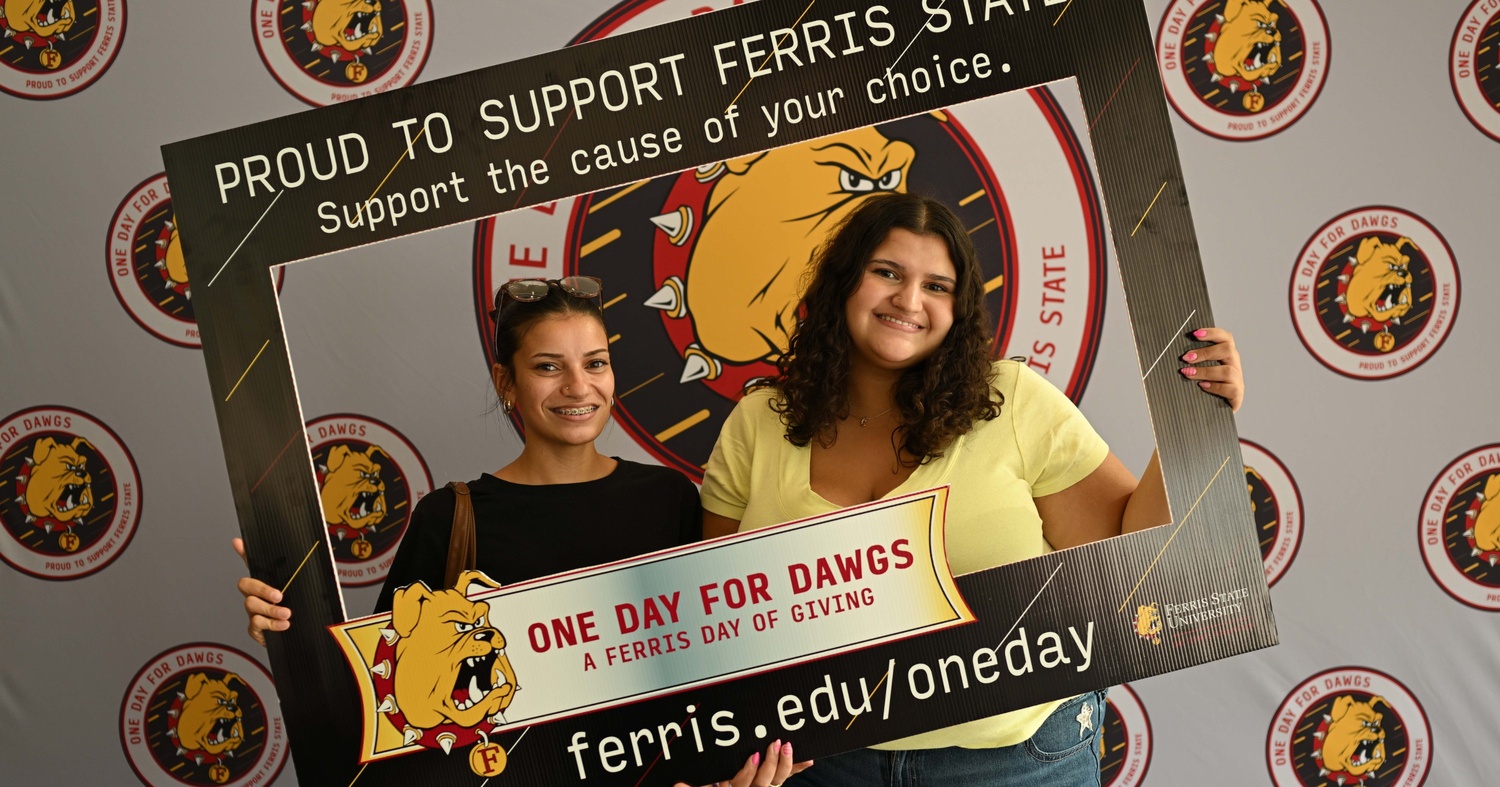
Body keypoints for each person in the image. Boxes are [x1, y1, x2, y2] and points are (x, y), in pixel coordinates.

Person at [699, 192, 1244, 786]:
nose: (909, 300)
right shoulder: (758, 422)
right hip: (822, 767)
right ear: (842, 283)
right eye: (887, 273)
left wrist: (1194, 420)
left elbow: (1137, 558)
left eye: (937, 286)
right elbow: (724, 624)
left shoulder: (1013, 402)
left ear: (959, 308)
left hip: (1014, 763)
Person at [234, 276, 805, 786]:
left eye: (596, 363)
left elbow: (710, 668)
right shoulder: (449, 518)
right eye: (549, 366)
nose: (579, 387)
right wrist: (292, 634)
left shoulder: (671, 499)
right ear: (507, 382)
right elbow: (389, 699)